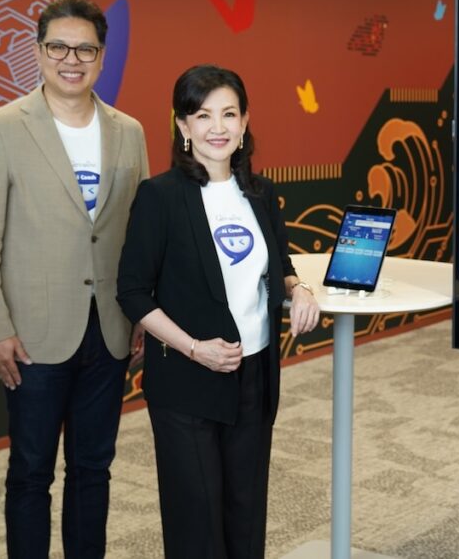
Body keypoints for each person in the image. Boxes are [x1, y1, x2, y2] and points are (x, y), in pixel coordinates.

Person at [0, 0, 150, 558]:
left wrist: (142, 311)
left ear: (101, 56)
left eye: (84, 49)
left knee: (93, 468)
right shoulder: (0, 129)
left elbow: (140, 232)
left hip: (108, 331)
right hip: (32, 338)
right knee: (31, 471)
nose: (71, 60)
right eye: (58, 47)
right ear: (39, 51)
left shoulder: (128, 131)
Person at [116, 64, 320, 558]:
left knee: (245, 511)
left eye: (229, 114)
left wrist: (299, 289)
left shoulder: (261, 193)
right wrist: (193, 348)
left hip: (254, 374)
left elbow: (280, 263)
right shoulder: (160, 196)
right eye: (203, 115)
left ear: (245, 122)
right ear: (183, 126)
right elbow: (133, 292)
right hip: (187, 381)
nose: (218, 127)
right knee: (197, 519)